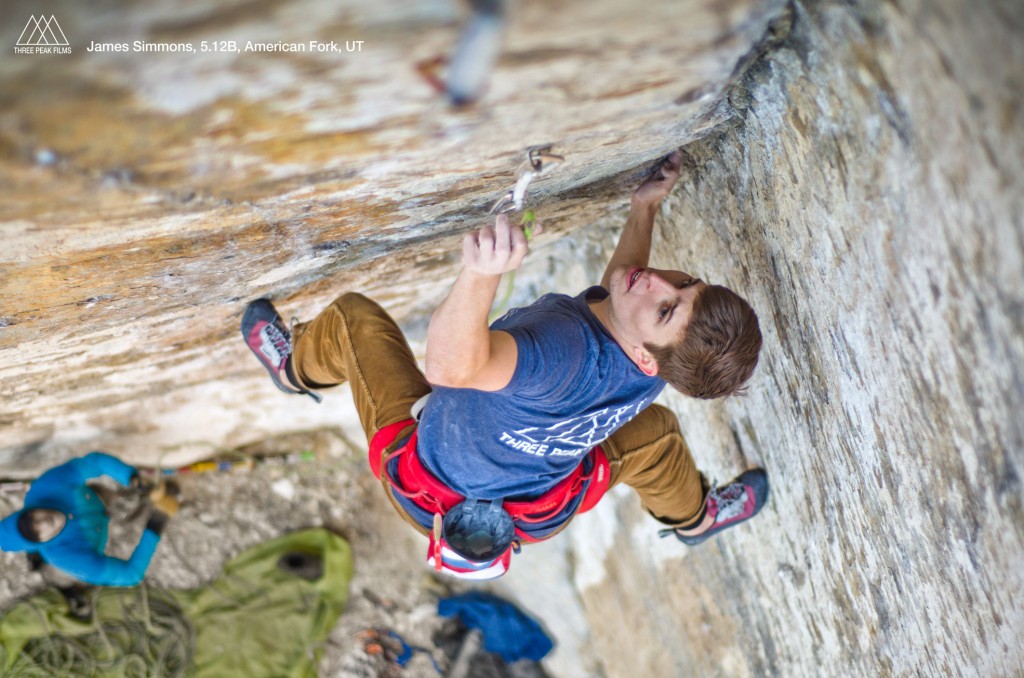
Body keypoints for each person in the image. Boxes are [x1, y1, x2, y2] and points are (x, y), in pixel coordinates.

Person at [241, 150, 768, 579]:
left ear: (645, 356)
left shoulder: (560, 351)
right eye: (685, 282)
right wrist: (644, 208)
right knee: (656, 439)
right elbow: (622, 292)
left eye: (667, 306)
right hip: (540, 508)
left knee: (355, 322)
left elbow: (450, 369)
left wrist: (480, 273)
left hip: (431, 492)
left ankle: (295, 370)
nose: (656, 280)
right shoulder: (665, 362)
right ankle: (694, 518)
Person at [0, 451, 179, 593]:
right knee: (123, 519)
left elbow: (94, 462)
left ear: (26, 510)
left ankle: (137, 493)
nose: (44, 522)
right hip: (92, 537)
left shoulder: (45, 487)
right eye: (36, 533)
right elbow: (131, 575)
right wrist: (155, 524)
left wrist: (130, 477)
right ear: (40, 543)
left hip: (92, 498)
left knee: (123, 495)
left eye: (31, 518)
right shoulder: (67, 557)